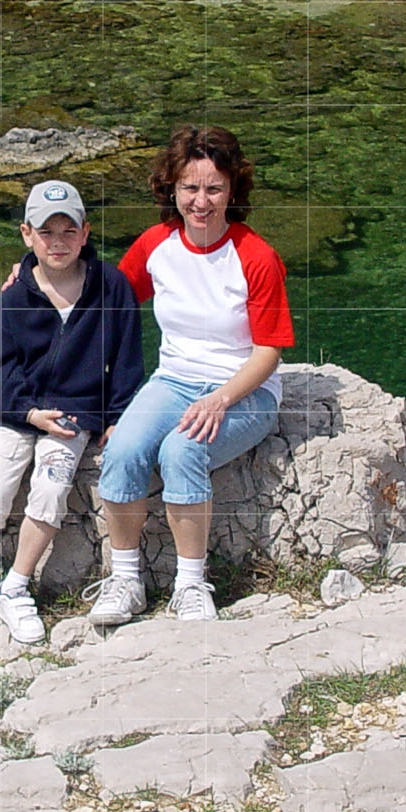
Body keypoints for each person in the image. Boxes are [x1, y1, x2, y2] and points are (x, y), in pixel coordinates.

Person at [88, 125, 293, 626]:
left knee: (183, 451)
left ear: (233, 191)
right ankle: (126, 580)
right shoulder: (157, 244)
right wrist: (32, 276)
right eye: (190, 188)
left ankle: (191, 584)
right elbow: (104, 298)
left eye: (213, 188)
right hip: (173, 381)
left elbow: (269, 351)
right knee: (123, 450)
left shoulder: (256, 256)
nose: (200, 201)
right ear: (172, 189)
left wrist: (220, 399)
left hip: (245, 389)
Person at [0, 180, 145, 649]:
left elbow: (128, 356)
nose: (59, 241)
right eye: (47, 232)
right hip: (15, 414)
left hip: (73, 415)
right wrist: (29, 414)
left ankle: (15, 585)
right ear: (27, 235)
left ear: (86, 233)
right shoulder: (13, 299)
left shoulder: (111, 286)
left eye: (69, 230)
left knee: (51, 487)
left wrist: (116, 416)